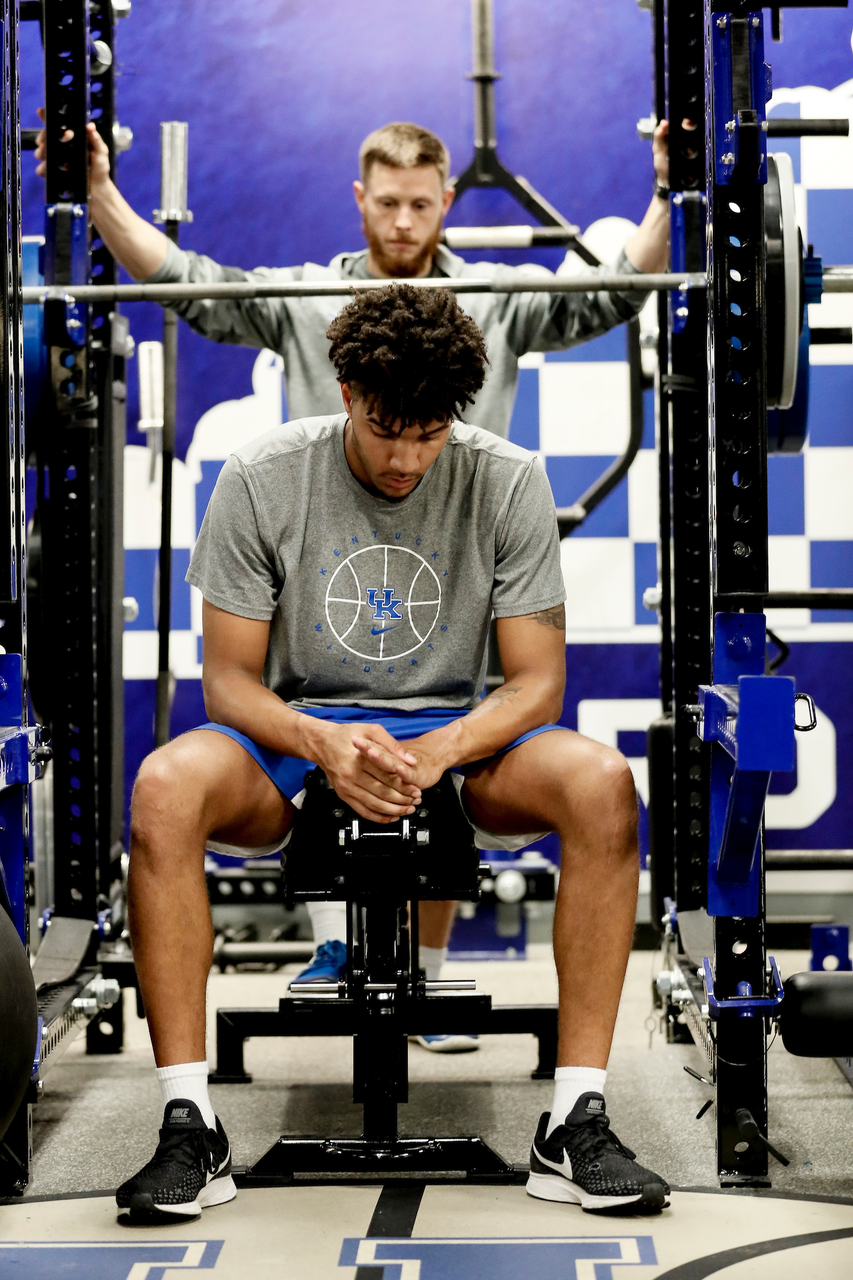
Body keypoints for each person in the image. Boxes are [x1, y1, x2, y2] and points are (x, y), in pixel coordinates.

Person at [36, 116, 670, 1035]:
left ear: (444, 201)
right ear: (360, 200)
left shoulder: (490, 308)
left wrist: (668, 191)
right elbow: (186, 283)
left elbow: (612, 292)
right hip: (319, 614)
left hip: (450, 604)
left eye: (421, 204)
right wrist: (97, 195)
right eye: (389, 203)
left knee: (455, 716)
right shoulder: (304, 312)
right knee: (269, 752)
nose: (405, 223)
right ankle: (314, 977)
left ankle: (433, 978)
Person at [115, 283, 669, 1220]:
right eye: (387, 430)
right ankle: (188, 1122)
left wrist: (442, 749)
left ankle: (573, 1118)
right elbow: (231, 685)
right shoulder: (260, 475)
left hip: (459, 736)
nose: (409, 456)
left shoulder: (507, 477)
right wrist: (321, 742)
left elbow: (535, 684)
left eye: (430, 432)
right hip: (297, 736)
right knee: (165, 786)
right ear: (343, 389)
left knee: (603, 784)